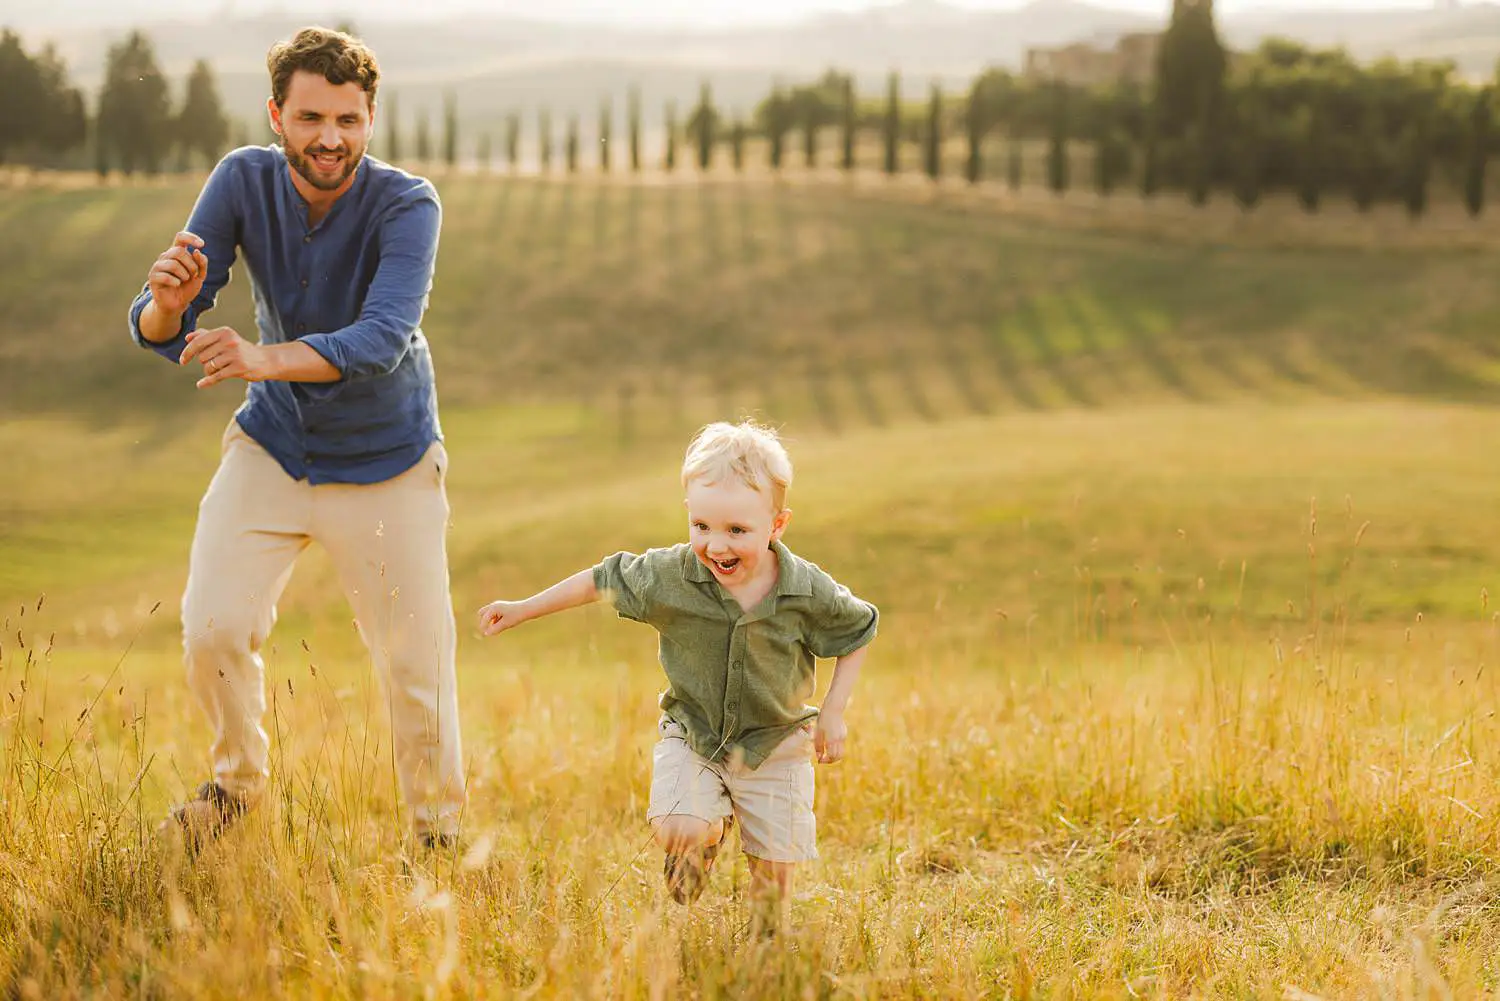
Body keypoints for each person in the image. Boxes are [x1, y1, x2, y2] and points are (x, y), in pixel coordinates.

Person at [127, 26, 464, 852]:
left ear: (370, 119)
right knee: (212, 626)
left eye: (348, 120)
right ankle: (235, 790)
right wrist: (166, 305)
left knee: (415, 665)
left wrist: (261, 359)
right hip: (274, 445)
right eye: (311, 118)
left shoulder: (408, 204)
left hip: (389, 461)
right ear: (276, 115)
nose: (330, 138)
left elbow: (381, 339)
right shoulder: (241, 178)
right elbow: (164, 318)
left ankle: (438, 839)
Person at [476, 421, 878, 930]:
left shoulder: (807, 590)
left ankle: (764, 952)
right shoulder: (669, 575)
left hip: (776, 744)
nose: (716, 545)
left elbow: (859, 630)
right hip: (695, 736)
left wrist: (834, 713)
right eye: (701, 526)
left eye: (737, 531)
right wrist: (522, 608)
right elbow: (601, 580)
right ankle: (701, 839)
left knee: (774, 876)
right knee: (679, 825)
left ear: (777, 525)